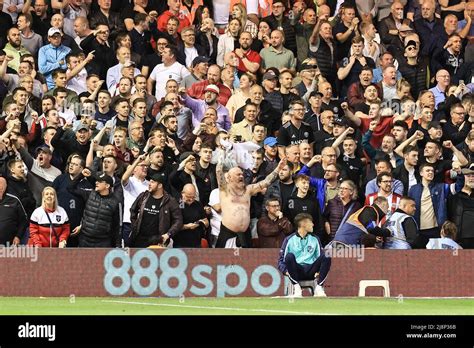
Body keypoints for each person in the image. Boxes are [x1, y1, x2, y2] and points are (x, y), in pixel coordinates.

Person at [215, 144, 285, 248]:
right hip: (227, 233)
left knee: (246, 262)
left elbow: (266, 182)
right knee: (221, 261)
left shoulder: (248, 190)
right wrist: (222, 155)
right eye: (238, 175)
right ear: (229, 178)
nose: (241, 176)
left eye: (242, 174)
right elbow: (218, 172)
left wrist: (278, 169)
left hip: (245, 234)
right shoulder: (224, 190)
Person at [277, 213, 331, 297]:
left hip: (311, 269)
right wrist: (285, 271)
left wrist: (319, 271)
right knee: (289, 256)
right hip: (296, 271)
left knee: (327, 256)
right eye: (311, 222)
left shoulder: (315, 239)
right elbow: (281, 261)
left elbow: (320, 257)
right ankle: (296, 288)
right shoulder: (289, 240)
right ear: (303, 224)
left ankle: (319, 287)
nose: (313, 224)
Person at [68, 170, 121, 248]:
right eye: (96, 181)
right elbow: (70, 188)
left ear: (107, 186)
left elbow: (117, 226)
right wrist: (81, 175)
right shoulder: (90, 194)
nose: (96, 183)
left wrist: (118, 245)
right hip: (85, 239)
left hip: (103, 242)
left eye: (100, 181)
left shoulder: (115, 202)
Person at [129, 172, 183, 248]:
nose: (149, 184)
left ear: (160, 185)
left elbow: (178, 220)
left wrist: (168, 234)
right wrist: (134, 226)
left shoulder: (170, 201)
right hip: (139, 239)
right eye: (149, 181)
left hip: (157, 241)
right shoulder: (143, 196)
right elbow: (133, 210)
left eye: (153, 182)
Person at [448, 163, 474, 249]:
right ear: (464, 178)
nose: (471, 178)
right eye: (468, 175)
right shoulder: (454, 198)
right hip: (459, 241)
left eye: (473, 176)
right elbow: (449, 219)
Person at [173, 183, 208, 248]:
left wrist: (204, 222)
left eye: (193, 197)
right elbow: (172, 226)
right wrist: (187, 227)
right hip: (180, 243)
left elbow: (205, 219)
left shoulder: (198, 204)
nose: (191, 199)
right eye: (188, 197)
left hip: (196, 242)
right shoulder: (176, 204)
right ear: (182, 193)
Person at [0, 176, 28, 245]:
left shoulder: (14, 200)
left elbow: (24, 221)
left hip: (10, 245)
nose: (0, 187)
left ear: (6, 187)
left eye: (2, 185)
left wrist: (18, 236)